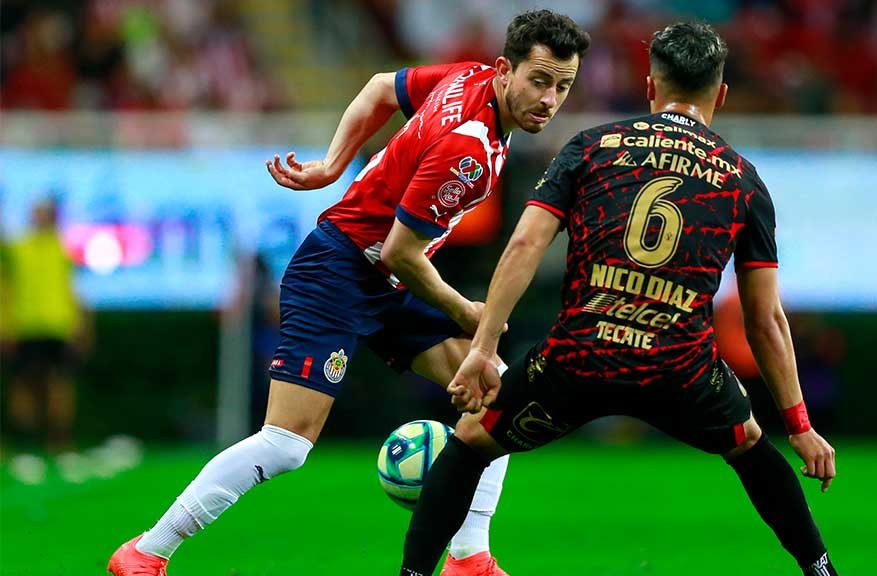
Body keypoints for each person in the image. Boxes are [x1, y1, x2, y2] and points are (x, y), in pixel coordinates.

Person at [108, 10, 590, 576]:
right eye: (539, 81)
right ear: (506, 70)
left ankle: (469, 559)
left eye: (562, 87)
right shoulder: (468, 151)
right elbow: (399, 252)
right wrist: (466, 310)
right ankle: (146, 552)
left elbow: (381, 88)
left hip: (385, 276)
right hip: (338, 270)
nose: (549, 99)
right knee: (287, 444)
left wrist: (333, 164)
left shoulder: (468, 76)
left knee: (495, 392)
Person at [400, 21, 840, 576]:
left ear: (650, 86)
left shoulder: (592, 146)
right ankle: (822, 571)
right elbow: (764, 318)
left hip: (580, 357)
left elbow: (525, 245)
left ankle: (414, 574)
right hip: (680, 369)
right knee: (749, 444)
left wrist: (484, 347)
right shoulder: (743, 181)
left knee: (469, 442)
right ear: (721, 94)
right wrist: (799, 425)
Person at [3, 198, 89, 464]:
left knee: (59, 385)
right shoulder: (17, 249)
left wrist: (80, 323)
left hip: (57, 326)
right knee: (23, 386)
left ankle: (59, 441)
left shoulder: (63, 250)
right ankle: (22, 440)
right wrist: (5, 325)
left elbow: (71, 289)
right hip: (25, 326)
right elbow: (6, 287)